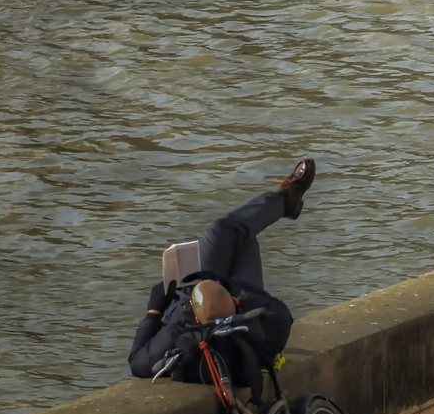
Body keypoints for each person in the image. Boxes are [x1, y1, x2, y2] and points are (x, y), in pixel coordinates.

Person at [128, 158, 313, 383]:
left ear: (193, 314)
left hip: (197, 301)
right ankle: (286, 199)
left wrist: (154, 310)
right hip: (231, 300)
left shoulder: (177, 331)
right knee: (237, 235)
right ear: (235, 303)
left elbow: (137, 363)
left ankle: (285, 200)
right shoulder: (265, 319)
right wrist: (229, 286)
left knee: (229, 232)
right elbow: (281, 313)